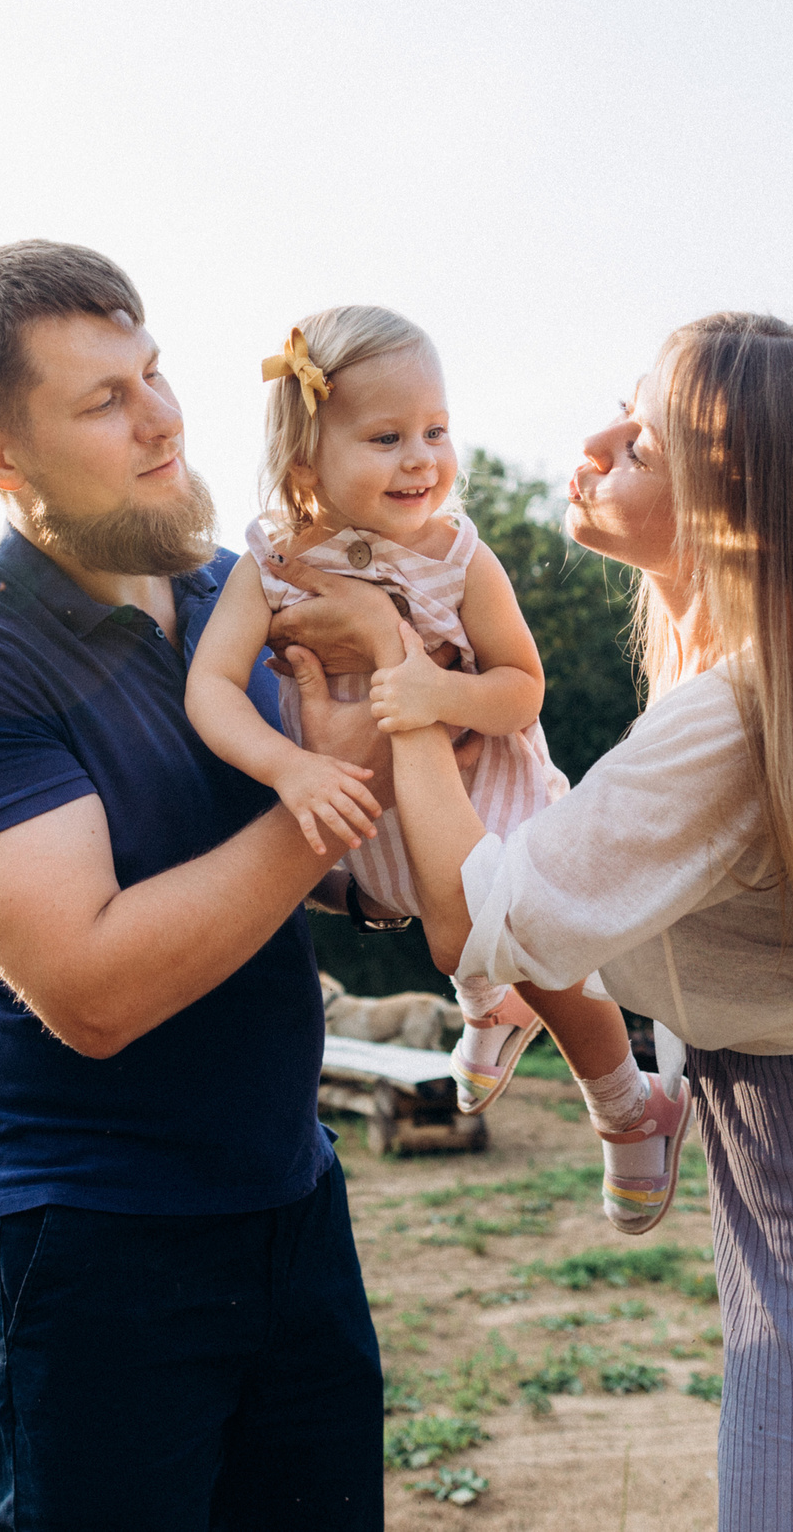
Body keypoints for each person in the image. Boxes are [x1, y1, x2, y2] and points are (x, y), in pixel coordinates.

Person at [362, 312, 793, 1529]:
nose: (597, 441)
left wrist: (401, 689)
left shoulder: (730, 718)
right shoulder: (734, 679)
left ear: (743, 509)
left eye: (646, 445)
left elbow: (478, 922)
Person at [0, 241, 384, 1529]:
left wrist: (417, 857)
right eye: (103, 400)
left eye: (152, 373)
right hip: (90, 1241)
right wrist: (324, 808)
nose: (161, 416)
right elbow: (94, 987)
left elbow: (297, 864)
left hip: (290, 1201)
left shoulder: (235, 599)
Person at [183, 303, 691, 1233]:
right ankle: (489, 1008)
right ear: (307, 465)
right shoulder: (269, 561)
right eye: (386, 436)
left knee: (525, 934)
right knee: (444, 922)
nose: (422, 457)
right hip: (364, 804)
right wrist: (288, 768)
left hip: (481, 781)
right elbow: (211, 688)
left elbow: (520, 687)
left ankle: (628, 1105)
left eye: (436, 430)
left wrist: (430, 696)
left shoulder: (458, 556)